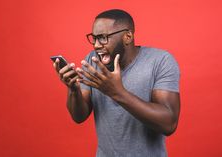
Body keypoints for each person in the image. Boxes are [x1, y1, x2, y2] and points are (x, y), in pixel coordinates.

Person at [53, 9, 180, 157]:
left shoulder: (160, 61)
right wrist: (74, 89)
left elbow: (169, 123)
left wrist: (117, 93)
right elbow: (79, 116)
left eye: (103, 38)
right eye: (94, 38)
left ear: (128, 36)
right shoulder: (92, 61)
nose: (96, 45)